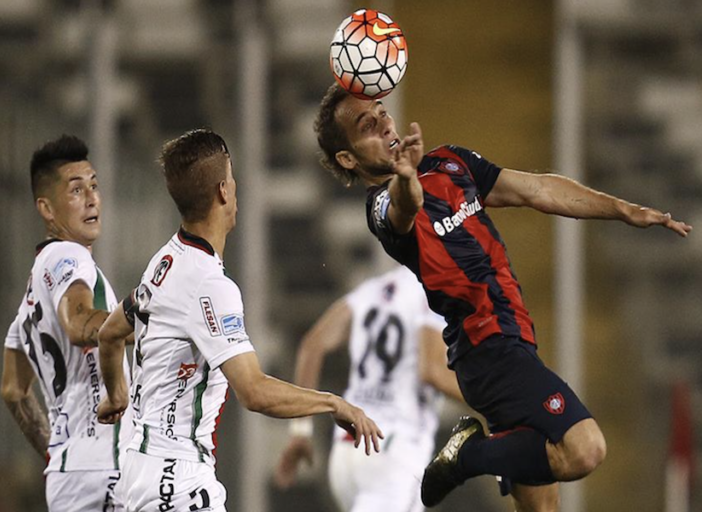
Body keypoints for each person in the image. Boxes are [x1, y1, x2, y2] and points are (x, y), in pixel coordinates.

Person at [313, 83, 693, 511]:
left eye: (382, 112)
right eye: (368, 125)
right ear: (348, 157)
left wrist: (624, 211)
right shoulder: (381, 206)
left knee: (544, 508)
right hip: (486, 348)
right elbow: (405, 208)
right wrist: (403, 177)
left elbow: (537, 190)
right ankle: (467, 456)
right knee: (585, 448)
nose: (384, 124)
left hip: (511, 340)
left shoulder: (451, 163)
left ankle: (485, 454)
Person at [95, 128, 383, 512]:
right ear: (223, 192)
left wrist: (117, 395)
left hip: (137, 470)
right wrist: (334, 404)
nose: (235, 187)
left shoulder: (164, 262)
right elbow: (254, 391)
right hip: (176, 480)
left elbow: (110, 333)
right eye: (231, 178)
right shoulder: (210, 285)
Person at [0, 135, 132, 512]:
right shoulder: (68, 257)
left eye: (94, 185)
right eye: (76, 190)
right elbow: (78, 323)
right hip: (107, 467)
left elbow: (13, 389)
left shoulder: (29, 301)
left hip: (70, 475)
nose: (91, 198)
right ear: (47, 208)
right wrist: (149, 325)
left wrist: (59, 449)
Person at [274, 264, 465, 511]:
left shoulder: (371, 290)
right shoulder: (434, 290)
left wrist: (300, 431)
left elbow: (313, 345)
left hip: (347, 451)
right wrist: (493, 405)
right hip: (394, 450)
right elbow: (432, 372)